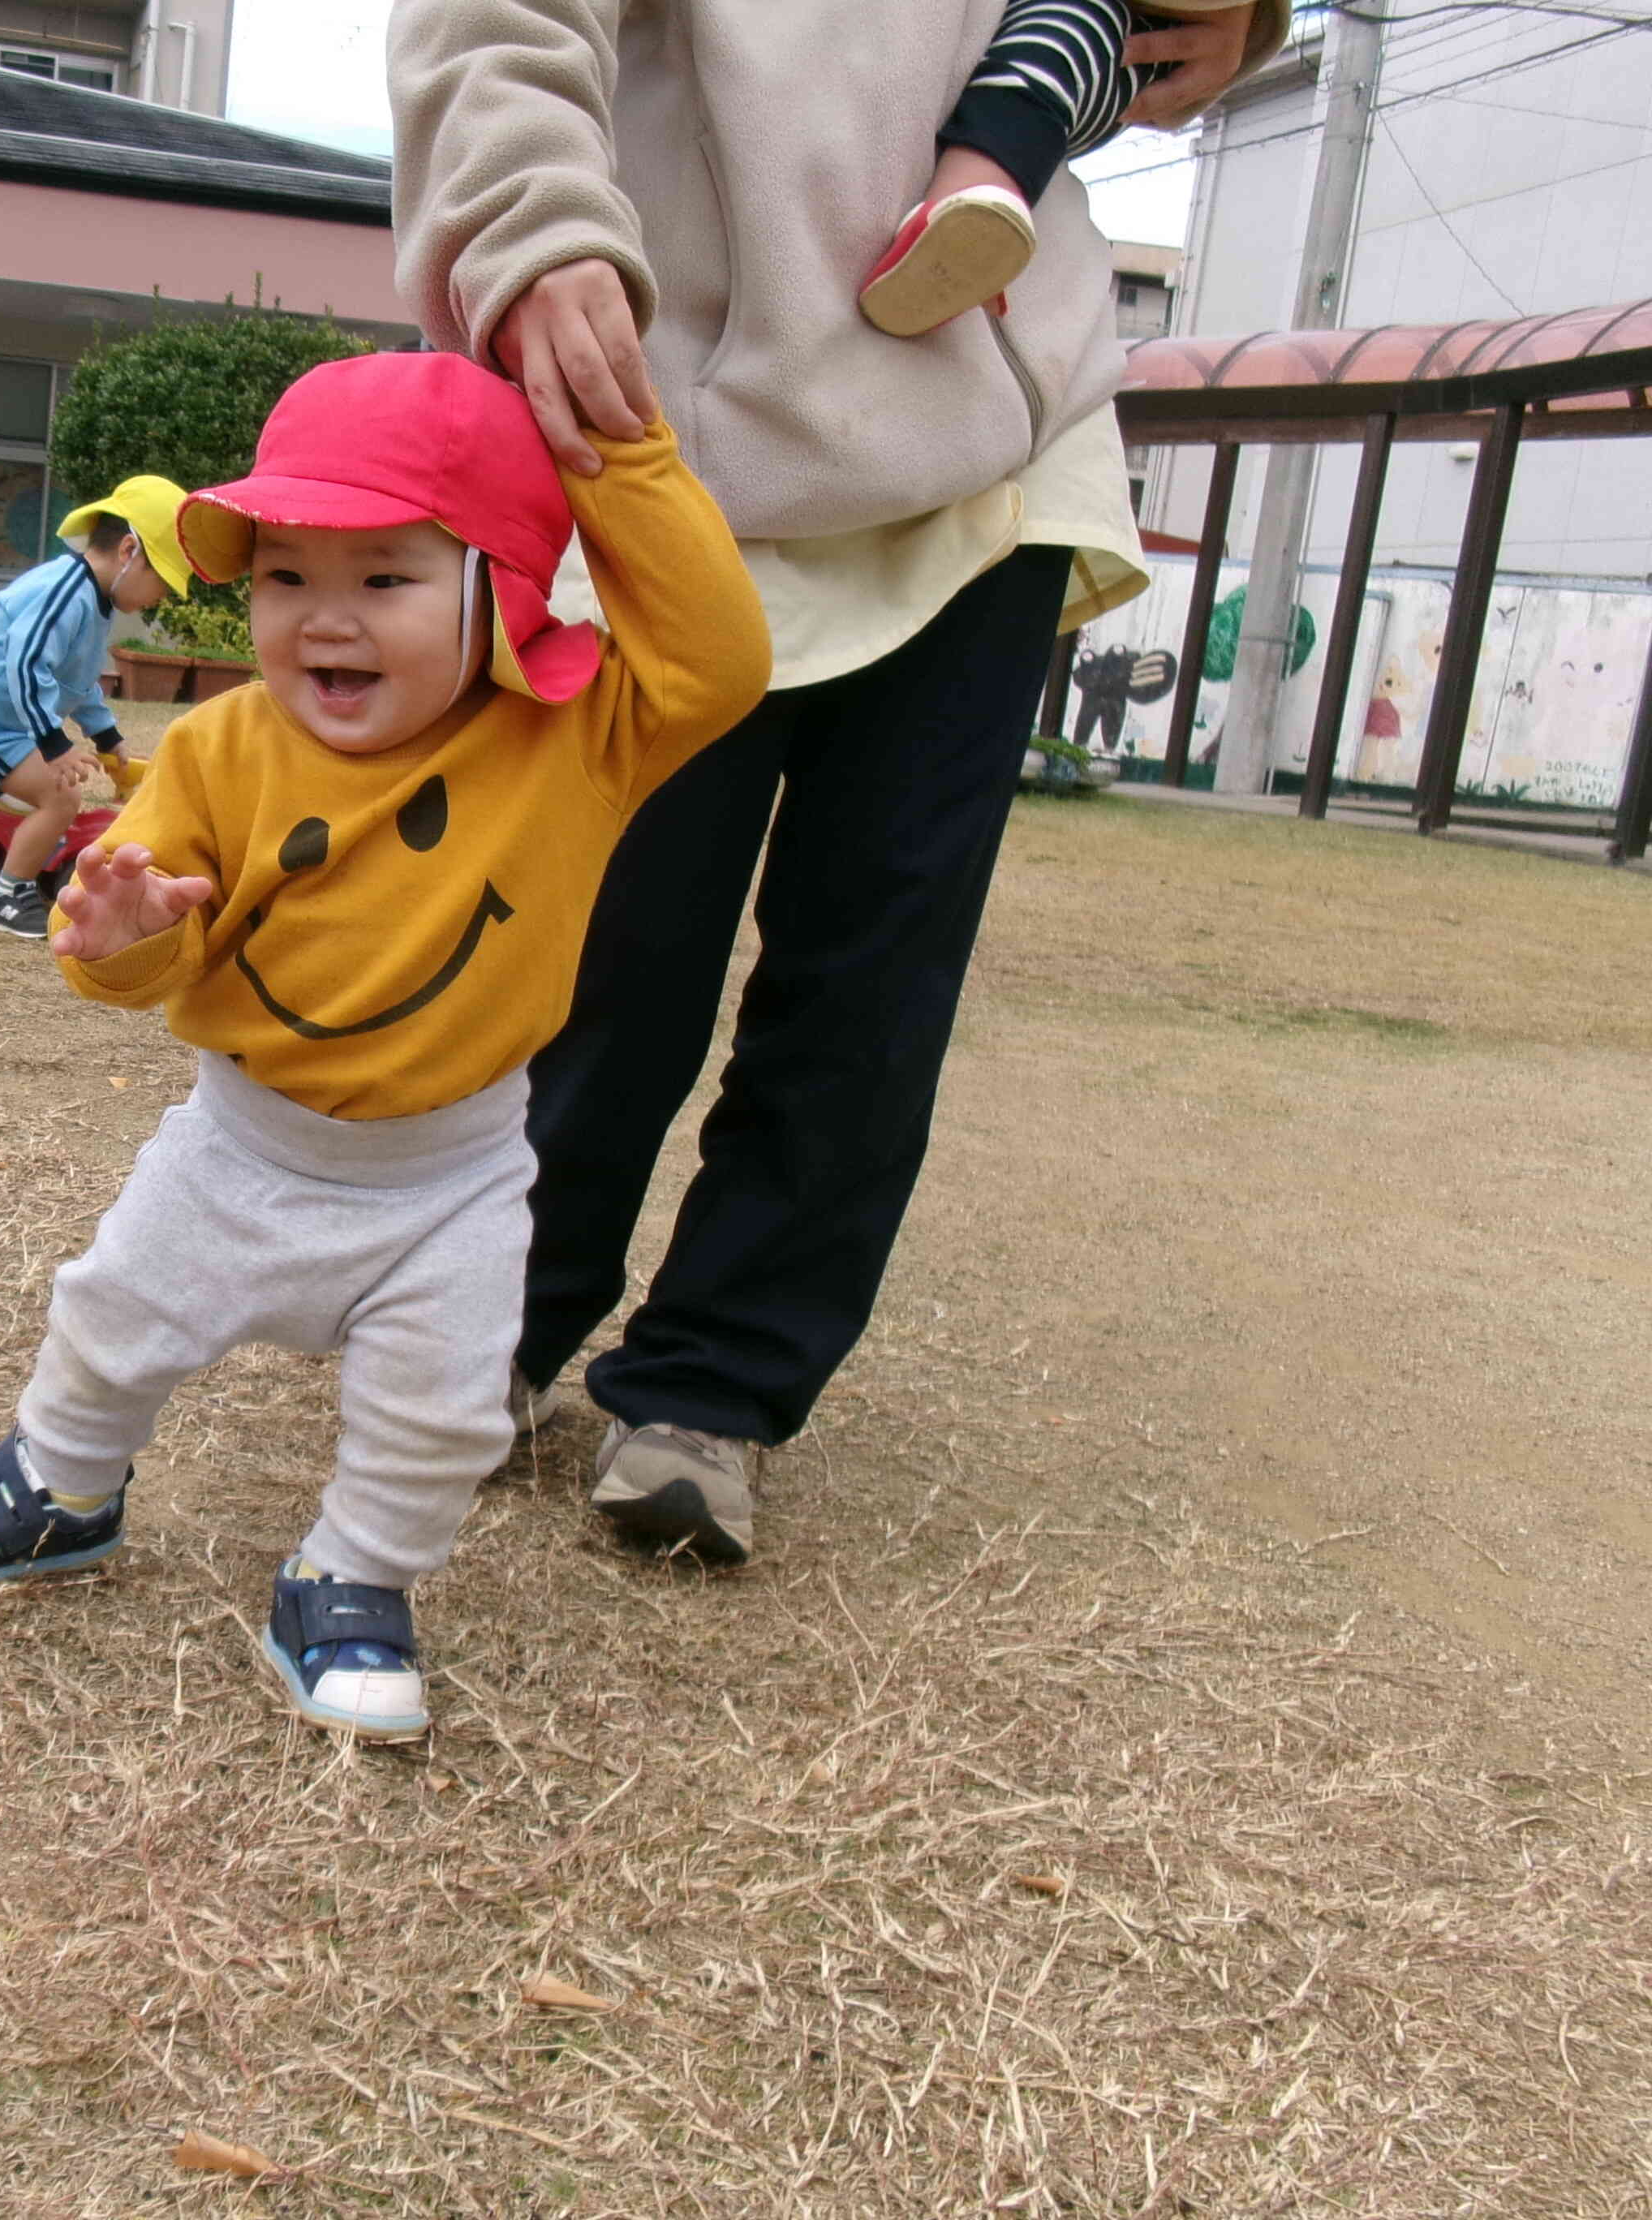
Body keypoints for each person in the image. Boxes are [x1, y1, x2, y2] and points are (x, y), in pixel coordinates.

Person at [389, 0, 1277, 1563]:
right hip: (663, 416)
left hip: (995, 433)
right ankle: (493, 1326)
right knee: (600, 945)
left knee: (876, 962)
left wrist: (1242, 20)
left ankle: (713, 1385)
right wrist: (527, 223)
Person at [0, 352, 768, 1740]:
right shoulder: (224, 745)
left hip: (453, 1177)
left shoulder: (578, 732)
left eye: (385, 579)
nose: (323, 620)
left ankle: (352, 1574)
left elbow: (720, 654)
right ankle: (59, 1487)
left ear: (499, 587)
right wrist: (120, 937)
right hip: (238, 1146)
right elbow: (149, 935)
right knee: (111, 1318)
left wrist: (616, 453)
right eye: (286, 576)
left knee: (442, 1414)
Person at [863, 1, 1224, 338]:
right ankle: (972, 228)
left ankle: (971, 201)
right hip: (1100, 65)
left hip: (1103, 38)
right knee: (1054, 61)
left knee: (1051, 59)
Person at [0, 476, 190, 940]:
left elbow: (77, 679)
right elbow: (27, 666)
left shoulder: (95, 601)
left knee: (63, 793)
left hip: (10, 721)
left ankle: (20, 873)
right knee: (62, 796)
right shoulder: (64, 593)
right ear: (128, 551)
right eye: (163, 582)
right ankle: (5, 896)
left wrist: (108, 738)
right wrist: (55, 745)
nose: (161, 598)